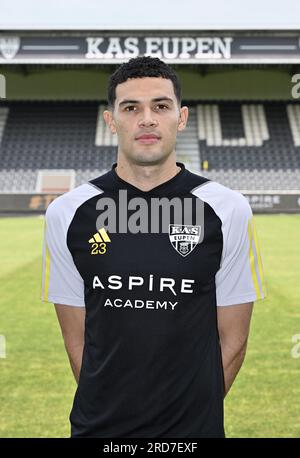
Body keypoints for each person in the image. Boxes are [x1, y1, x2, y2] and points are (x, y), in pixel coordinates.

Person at [41, 56, 266, 438]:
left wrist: (186, 419)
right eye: (131, 107)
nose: (147, 119)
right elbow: (75, 339)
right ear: (111, 121)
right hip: (99, 432)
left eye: (160, 106)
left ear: (181, 118)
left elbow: (234, 339)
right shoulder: (67, 212)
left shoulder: (227, 208)